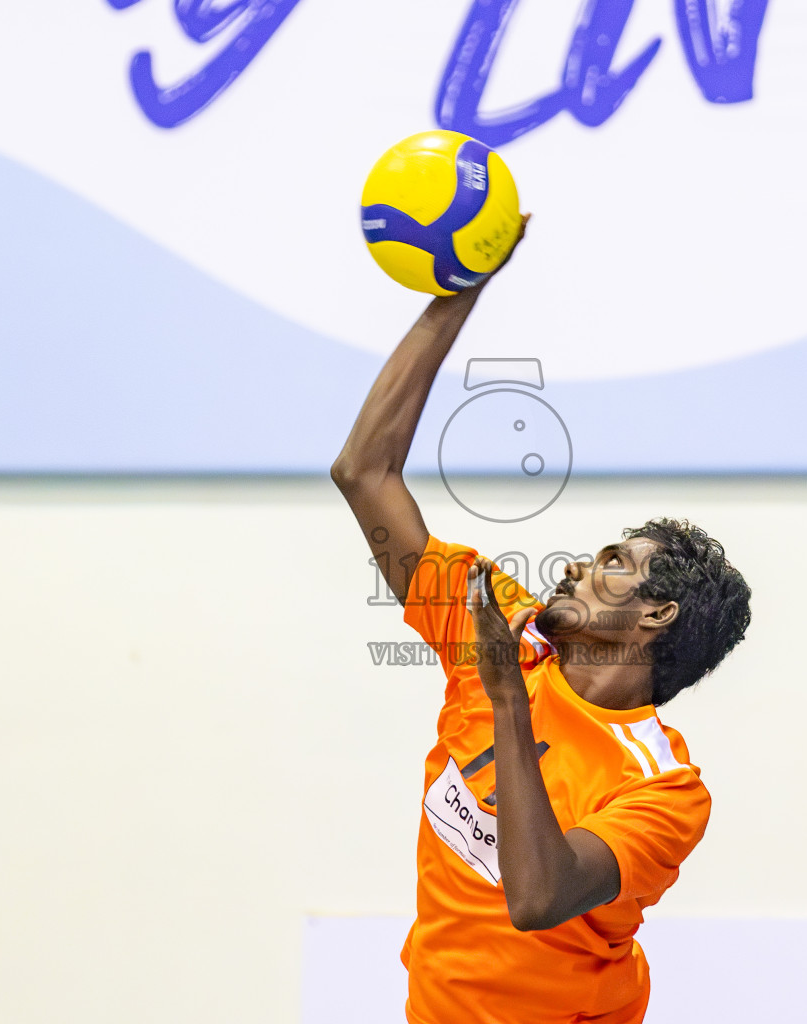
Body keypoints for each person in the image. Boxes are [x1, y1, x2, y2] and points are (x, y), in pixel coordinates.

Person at [331, 219, 752, 1024]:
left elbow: (537, 895)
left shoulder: (662, 790)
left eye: (613, 563)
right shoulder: (503, 635)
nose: (571, 568)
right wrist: (457, 292)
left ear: (656, 615)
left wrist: (506, 701)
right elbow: (364, 472)